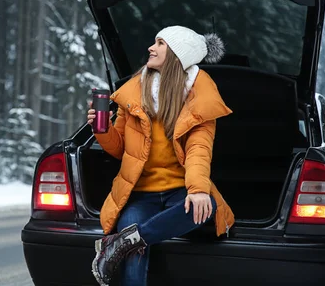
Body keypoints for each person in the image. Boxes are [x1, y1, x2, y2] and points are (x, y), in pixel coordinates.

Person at [88, 25, 235, 286]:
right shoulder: (133, 91)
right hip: (140, 193)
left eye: (160, 43)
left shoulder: (200, 96)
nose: (150, 48)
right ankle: (127, 242)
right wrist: (102, 130)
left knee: (207, 205)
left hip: (180, 190)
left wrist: (198, 189)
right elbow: (120, 149)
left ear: (178, 54)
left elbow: (198, 150)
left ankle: (121, 243)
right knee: (133, 258)